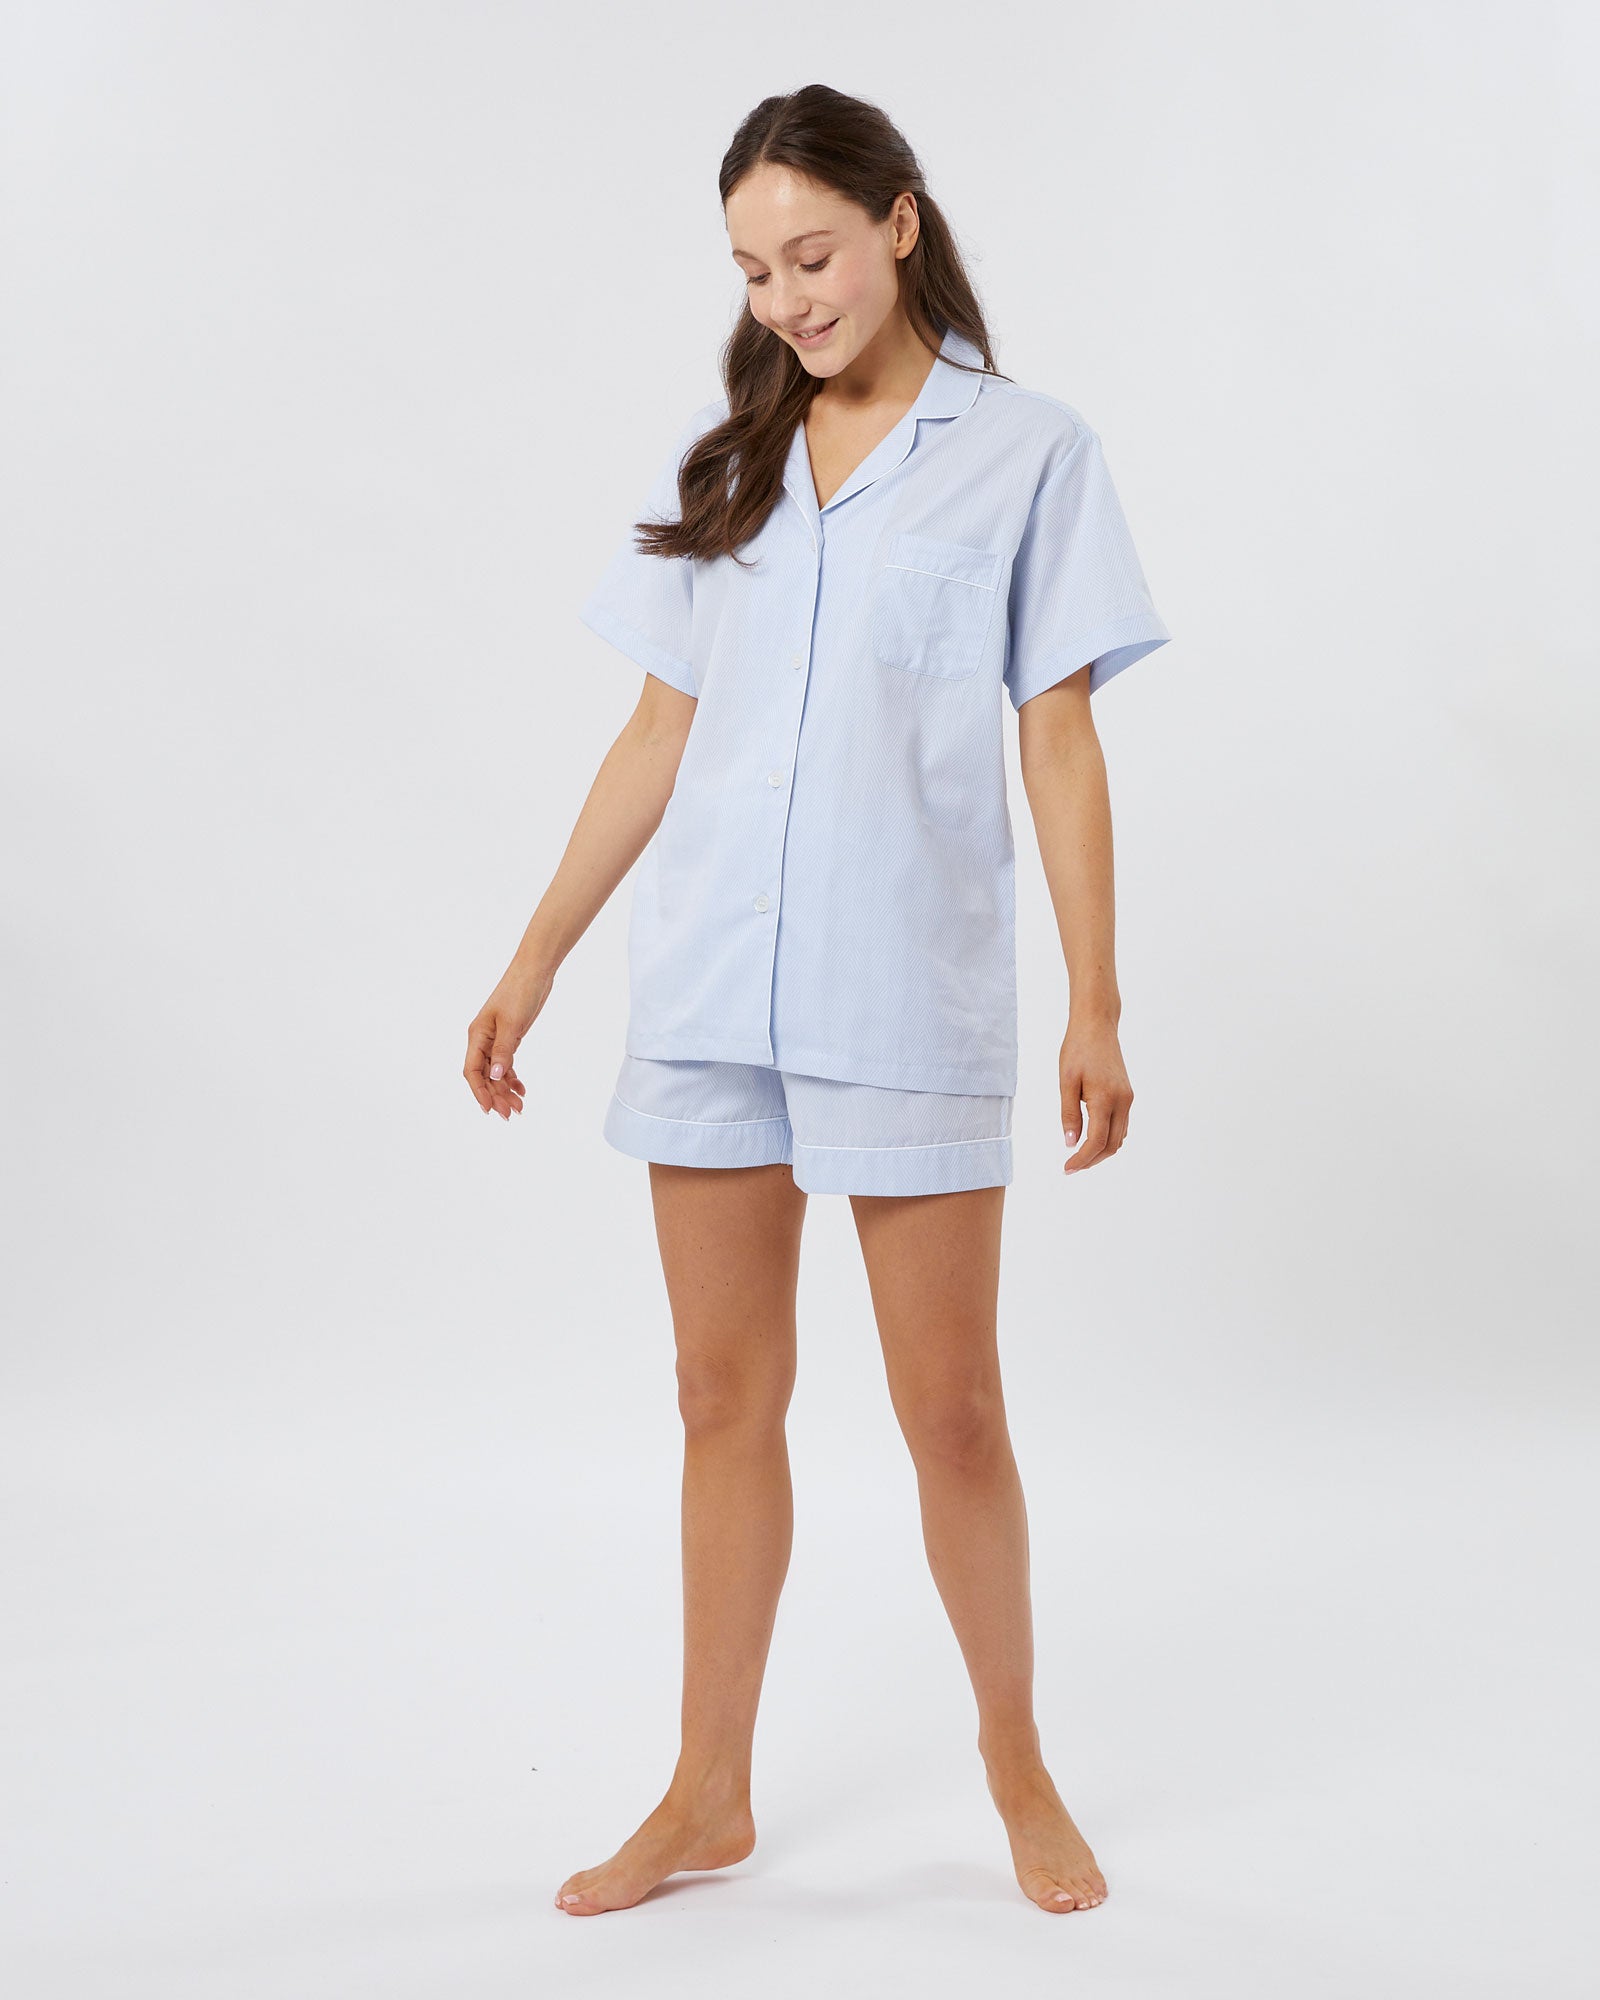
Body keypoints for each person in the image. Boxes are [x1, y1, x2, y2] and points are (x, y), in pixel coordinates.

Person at [465, 83, 1172, 1918]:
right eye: (754, 271)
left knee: (955, 1413)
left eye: (815, 256)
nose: (788, 299)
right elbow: (655, 733)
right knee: (719, 1395)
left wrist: (1096, 999)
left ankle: (1016, 1763)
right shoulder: (726, 465)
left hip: (905, 993)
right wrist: (535, 957)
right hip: (709, 988)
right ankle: (707, 1793)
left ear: (900, 225)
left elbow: (1061, 739)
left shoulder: (1030, 455)